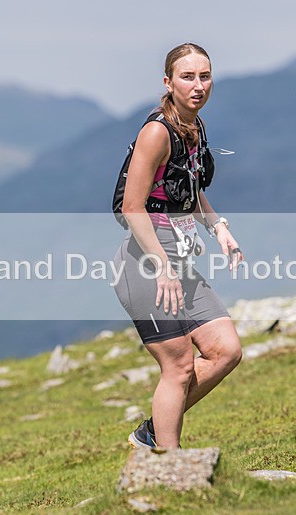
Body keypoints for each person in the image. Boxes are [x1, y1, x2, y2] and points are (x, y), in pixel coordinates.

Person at [112, 43, 244, 450]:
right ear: (168, 83)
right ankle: (170, 465)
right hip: (146, 264)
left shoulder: (195, 127)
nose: (198, 86)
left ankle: (153, 432)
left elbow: (189, 190)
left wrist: (218, 227)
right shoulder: (156, 132)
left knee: (226, 350)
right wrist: (162, 267)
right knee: (180, 366)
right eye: (188, 77)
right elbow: (132, 208)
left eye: (205, 76)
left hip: (179, 259)